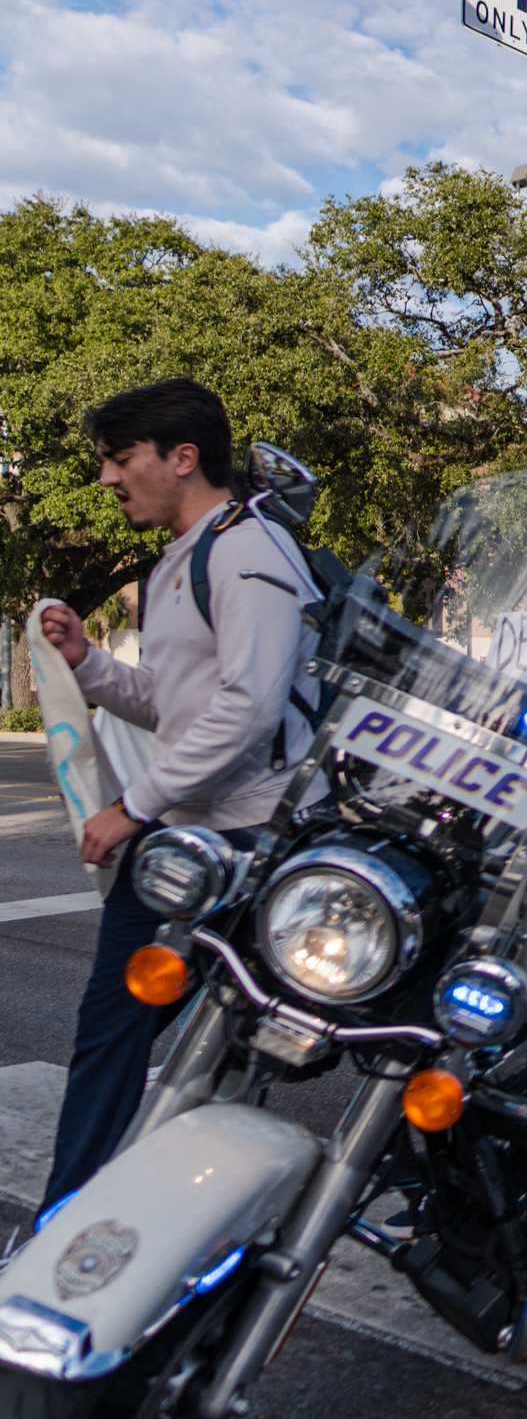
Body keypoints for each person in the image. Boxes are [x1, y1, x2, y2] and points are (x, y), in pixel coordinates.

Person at [36, 378, 321, 1211]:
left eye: (121, 459)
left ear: (182, 457)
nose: (108, 479)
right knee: (113, 1039)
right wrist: (88, 663)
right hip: (183, 844)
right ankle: (63, 1220)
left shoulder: (249, 550)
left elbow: (250, 703)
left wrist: (135, 804)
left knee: (293, 1042)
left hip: (249, 843)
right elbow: (173, 701)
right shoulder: (179, 561)